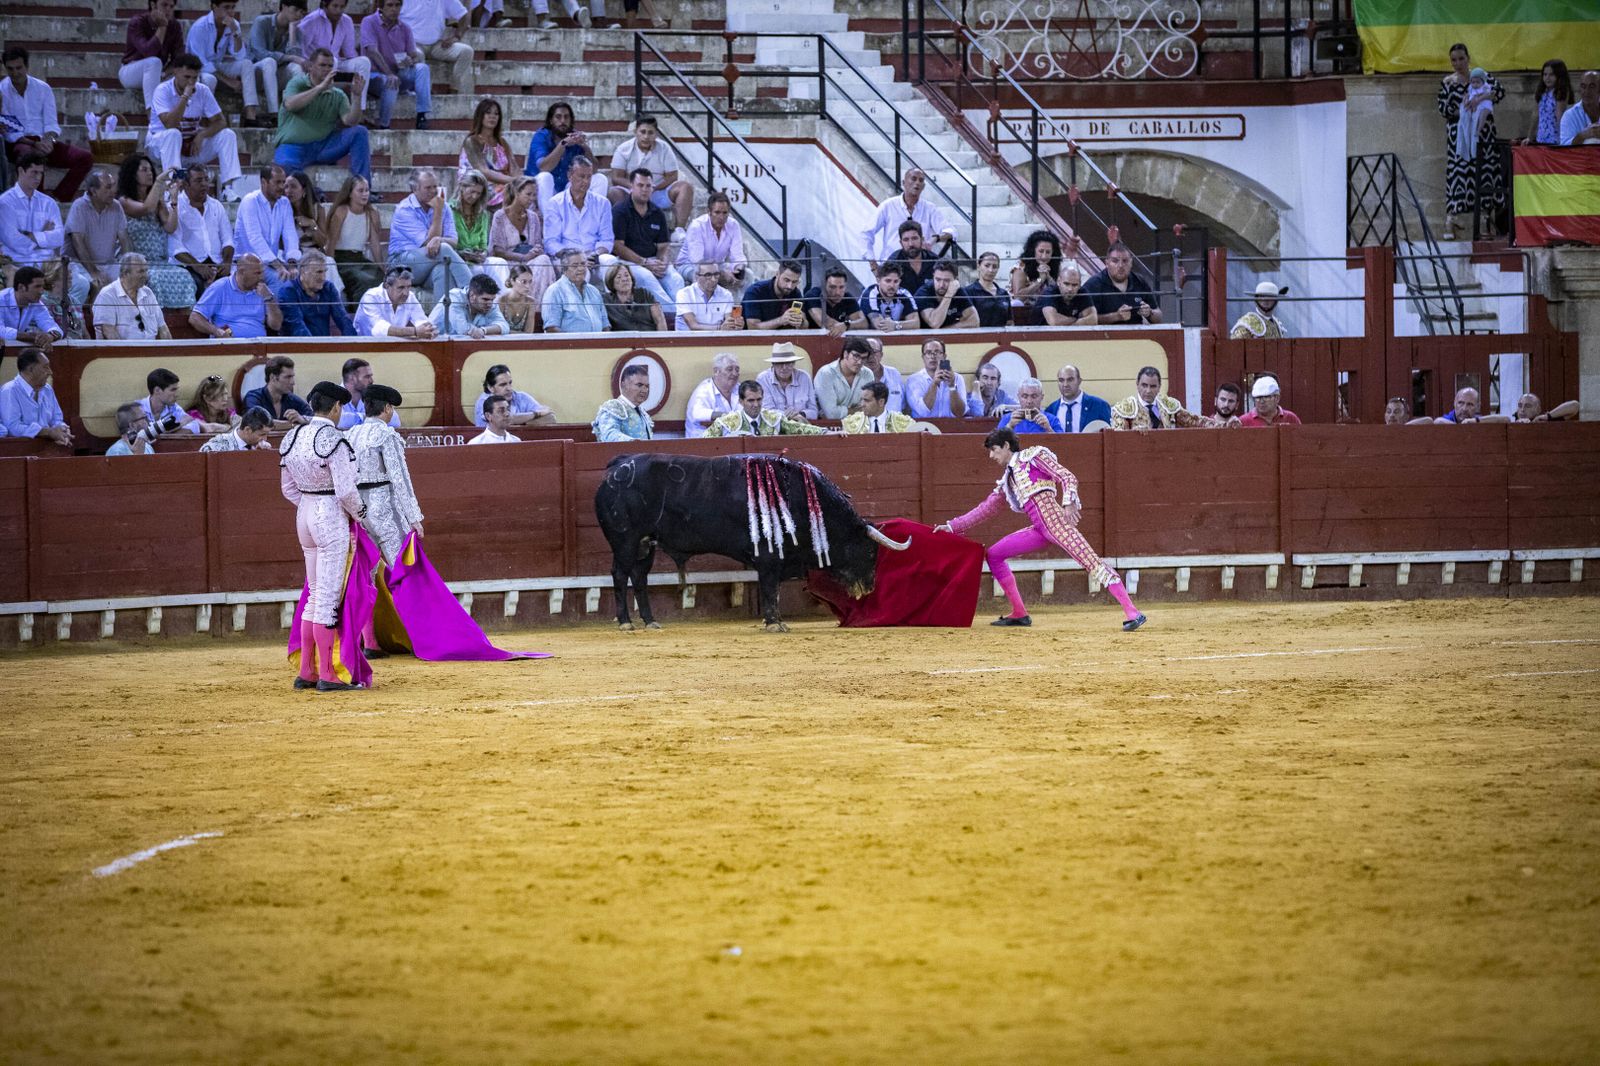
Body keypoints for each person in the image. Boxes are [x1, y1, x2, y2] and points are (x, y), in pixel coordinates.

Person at [936, 427, 1145, 630]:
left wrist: (1069, 502)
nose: (991, 455)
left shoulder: (1033, 456)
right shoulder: (1008, 480)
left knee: (1092, 563)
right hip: (1039, 529)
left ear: (1006, 445)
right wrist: (953, 526)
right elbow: (986, 509)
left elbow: (1067, 476)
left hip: (1057, 523)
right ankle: (1019, 613)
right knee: (994, 554)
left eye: (994, 449)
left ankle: (1133, 613)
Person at [279, 379, 366, 691]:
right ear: (337, 407)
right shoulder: (334, 440)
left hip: (304, 513)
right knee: (326, 597)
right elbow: (345, 491)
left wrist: (309, 504)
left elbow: (287, 488)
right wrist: (363, 515)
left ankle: (307, 671)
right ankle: (328, 674)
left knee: (314, 595)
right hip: (329, 515)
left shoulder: (291, 437)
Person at [346, 383, 424, 608]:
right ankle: (414, 631)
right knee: (403, 569)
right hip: (384, 508)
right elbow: (400, 479)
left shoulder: (351, 434)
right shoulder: (387, 435)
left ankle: (368, 637)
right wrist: (414, 517)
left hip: (359, 511)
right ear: (388, 408)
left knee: (365, 578)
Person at [146, 53, 245, 202]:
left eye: (195, 77)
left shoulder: (202, 90)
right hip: (160, 147)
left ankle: (228, 189)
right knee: (173, 134)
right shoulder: (162, 90)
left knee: (227, 135)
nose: (191, 82)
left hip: (190, 146)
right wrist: (185, 97)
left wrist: (202, 135)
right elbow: (170, 124)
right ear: (176, 72)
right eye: (187, 77)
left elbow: (220, 121)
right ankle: (173, 188)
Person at [1, 47, 93, 203]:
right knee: (31, 155)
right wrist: (34, 144)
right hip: (19, 143)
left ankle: (57, 198)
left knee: (85, 158)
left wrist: (48, 140)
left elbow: (51, 123)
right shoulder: (2, 90)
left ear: (27, 66)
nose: (15, 73)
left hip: (43, 140)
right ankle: (36, 203)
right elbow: (9, 131)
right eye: (10, 69)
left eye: (19, 68)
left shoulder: (43, 88)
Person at [1436, 45, 1506, 238]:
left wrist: (1481, 99)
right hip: (1459, 133)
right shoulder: (1448, 82)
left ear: (1468, 58)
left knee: (1484, 173)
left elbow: (1499, 92)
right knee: (1458, 173)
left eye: (1461, 59)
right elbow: (1443, 109)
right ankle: (1452, 220)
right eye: (1454, 60)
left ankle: (1485, 221)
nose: (1458, 63)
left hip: (1483, 134)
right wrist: (1465, 110)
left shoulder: (1481, 75)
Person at [274, 47, 371, 184]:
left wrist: (356, 97)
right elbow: (290, 104)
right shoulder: (297, 83)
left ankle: (362, 186)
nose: (326, 69)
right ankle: (313, 194)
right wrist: (320, 88)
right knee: (285, 167)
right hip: (294, 146)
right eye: (322, 65)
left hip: (324, 146)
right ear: (311, 67)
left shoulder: (338, 94)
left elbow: (350, 121)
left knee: (360, 132)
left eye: (330, 66)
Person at [187, 0, 279, 127]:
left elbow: (240, 55)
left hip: (218, 64)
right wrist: (229, 81)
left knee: (246, 64)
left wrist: (235, 32)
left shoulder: (233, 24)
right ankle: (206, 120)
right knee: (209, 80)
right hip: (199, 69)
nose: (230, 11)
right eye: (226, 7)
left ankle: (250, 116)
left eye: (233, 7)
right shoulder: (200, 27)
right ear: (214, 7)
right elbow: (201, 63)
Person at [389, 167, 470, 310]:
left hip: (430, 262)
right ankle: (473, 290)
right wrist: (438, 212)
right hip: (401, 263)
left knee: (442, 271)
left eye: (435, 186)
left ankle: (441, 321)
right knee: (443, 249)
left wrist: (440, 240)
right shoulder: (404, 209)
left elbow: (454, 241)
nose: (433, 191)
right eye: (428, 187)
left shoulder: (444, 206)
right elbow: (429, 244)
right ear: (415, 189)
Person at [610, 168, 685, 310]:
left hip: (652, 260)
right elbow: (617, 246)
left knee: (676, 279)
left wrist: (662, 262)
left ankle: (681, 319)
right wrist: (644, 262)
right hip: (628, 262)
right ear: (631, 186)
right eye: (640, 185)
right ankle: (676, 317)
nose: (645, 190)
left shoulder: (657, 212)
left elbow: (663, 246)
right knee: (647, 278)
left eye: (648, 186)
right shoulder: (620, 211)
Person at [606, 116, 693, 233]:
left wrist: (653, 188)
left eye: (650, 133)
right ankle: (629, 229)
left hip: (656, 191)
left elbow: (672, 175)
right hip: (632, 192)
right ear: (635, 132)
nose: (646, 136)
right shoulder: (623, 149)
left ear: (656, 134)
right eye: (642, 132)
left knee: (685, 187)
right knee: (613, 192)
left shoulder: (664, 148)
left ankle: (679, 231)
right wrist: (636, 188)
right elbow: (616, 178)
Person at [862, 167, 953, 273]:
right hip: (891, 268)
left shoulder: (929, 208)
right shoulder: (888, 206)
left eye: (921, 180)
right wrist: (873, 265)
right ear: (904, 183)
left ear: (923, 186)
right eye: (913, 179)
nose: (917, 183)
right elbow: (866, 234)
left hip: (920, 270)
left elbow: (951, 231)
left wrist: (934, 239)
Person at [170, 164, 235, 300]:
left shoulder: (216, 205)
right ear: (186, 185)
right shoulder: (176, 207)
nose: (205, 184)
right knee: (198, 284)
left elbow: (228, 239)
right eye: (199, 181)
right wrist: (198, 267)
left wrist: (227, 262)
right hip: (189, 265)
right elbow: (175, 247)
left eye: (206, 179)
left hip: (217, 262)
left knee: (235, 283)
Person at [64, 173, 129, 308]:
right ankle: (96, 322)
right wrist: (93, 271)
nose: (114, 191)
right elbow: (78, 242)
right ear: (93, 191)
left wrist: (130, 264)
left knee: (131, 279)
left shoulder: (116, 206)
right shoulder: (79, 206)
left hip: (108, 263)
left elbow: (124, 238)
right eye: (108, 187)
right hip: (79, 263)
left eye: (113, 186)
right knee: (98, 283)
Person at [298, 0, 373, 116]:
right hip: (312, 66)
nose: (339, 11)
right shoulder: (311, 20)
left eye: (342, 7)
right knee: (332, 61)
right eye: (335, 6)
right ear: (325, 5)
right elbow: (300, 49)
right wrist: (310, 63)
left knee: (363, 62)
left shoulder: (346, 21)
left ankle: (360, 111)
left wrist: (354, 68)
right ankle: (328, 107)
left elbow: (349, 53)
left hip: (335, 63)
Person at [489, 175, 555, 306]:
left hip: (529, 262)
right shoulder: (500, 216)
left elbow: (537, 244)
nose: (532, 199)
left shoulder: (533, 217)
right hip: (509, 262)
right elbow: (497, 250)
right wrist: (522, 257)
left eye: (534, 195)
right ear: (517, 193)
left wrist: (536, 251)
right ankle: (520, 306)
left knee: (544, 260)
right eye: (528, 194)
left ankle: (536, 308)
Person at [0, 155, 67, 285]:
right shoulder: (5, 202)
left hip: (48, 264)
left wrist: (31, 235)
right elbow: (13, 240)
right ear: (21, 171)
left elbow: (59, 237)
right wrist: (43, 235)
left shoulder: (49, 203)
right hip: (18, 263)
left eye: (41, 173)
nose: (38, 177)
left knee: (81, 283)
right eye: (34, 172)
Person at [524, 101, 599, 212]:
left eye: (566, 117)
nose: (563, 121)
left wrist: (584, 146)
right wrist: (563, 144)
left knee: (600, 179)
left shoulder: (575, 137)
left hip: (566, 188)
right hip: (542, 191)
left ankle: (591, 220)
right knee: (545, 177)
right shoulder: (541, 136)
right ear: (551, 120)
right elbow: (544, 167)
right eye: (558, 117)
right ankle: (549, 222)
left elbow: (594, 169)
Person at [232, 164, 300, 287]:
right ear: (264, 182)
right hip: (247, 265)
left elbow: (290, 235)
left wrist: (292, 263)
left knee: (302, 279)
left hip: (271, 264)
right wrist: (279, 266)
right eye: (277, 182)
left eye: (283, 182)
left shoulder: (284, 203)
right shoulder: (250, 201)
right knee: (283, 282)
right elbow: (255, 238)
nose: (282, 187)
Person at [327, 174, 384, 309]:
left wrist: (383, 266)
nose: (365, 194)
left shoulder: (372, 213)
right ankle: (356, 313)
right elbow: (331, 242)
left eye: (367, 190)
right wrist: (330, 267)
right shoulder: (341, 211)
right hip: (341, 259)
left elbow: (375, 244)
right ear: (350, 193)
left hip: (359, 258)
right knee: (362, 279)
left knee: (380, 276)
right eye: (360, 190)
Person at [190, 254, 282, 338]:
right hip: (229, 346)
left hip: (259, 347)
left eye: (262, 273)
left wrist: (269, 298)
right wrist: (217, 331)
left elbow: (276, 325)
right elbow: (195, 317)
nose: (261, 277)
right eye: (257, 273)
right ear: (242, 272)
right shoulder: (220, 287)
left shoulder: (263, 290)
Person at [398, 0, 474, 98]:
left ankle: (454, 91)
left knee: (467, 51)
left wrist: (457, 36)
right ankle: (426, 92)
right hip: (413, 44)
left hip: (437, 44)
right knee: (417, 55)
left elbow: (464, 15)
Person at [122, 0, 189, 108]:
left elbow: (179, 59)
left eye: (171, 6)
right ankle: (153, 114)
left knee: (188, 75)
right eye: (164, 5)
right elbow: (149, 52)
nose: (168, 9)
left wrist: (164, 73)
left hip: (159, 72)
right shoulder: (137, 22)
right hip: (131, 71)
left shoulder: (174, 26)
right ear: (153, 5)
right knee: (154, 62)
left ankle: (184, 118)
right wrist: (162, 27)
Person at [0, 347, 72, 446]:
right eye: (45, 367)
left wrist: (63, 431)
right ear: (30, 370)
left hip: (48, 449)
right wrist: (48, 432)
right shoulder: (10, 390)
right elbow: (13, 428)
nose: (50, 372)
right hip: (20, 451)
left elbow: (57, 419)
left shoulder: (47, 389)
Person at [676, 193, 746, 291]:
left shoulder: (733, 225)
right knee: (702, 276)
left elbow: (737, 255)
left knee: (748, 276)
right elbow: (698, 262)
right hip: (689, 265)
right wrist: (721, 274)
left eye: (725, 213)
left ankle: (740, 306)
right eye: (717, 212)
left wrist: (738, 269)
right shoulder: (697, 226)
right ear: (708, 212)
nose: (721, 217)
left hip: (718, 264)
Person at [705, 381, 827, 437]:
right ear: (741, 402)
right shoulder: (726, 422)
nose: (756, 404)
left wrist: (827, 432)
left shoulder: (773, 418)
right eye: (751, 401)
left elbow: (800, 429)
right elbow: (702, 441)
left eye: (759, 399)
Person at [92, 253, 170, 340]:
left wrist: (171, 351)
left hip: (151, 351)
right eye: (141, 271)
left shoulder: (148, 293)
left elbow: (163, 328)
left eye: (146, 271)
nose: (146, 276)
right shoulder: (107, 295)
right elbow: (109, 332)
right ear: (125, 274)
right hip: (122, 352)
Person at [1080, 242, 1162, 324]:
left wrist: (1150, 313)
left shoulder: (1139, 281)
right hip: (1105, 335)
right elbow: (1081, 318)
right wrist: (1115, 316)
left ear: (1131, 263)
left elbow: (1159, 317)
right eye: (1115, 261)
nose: (1120, 266)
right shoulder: (1094, 284)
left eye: (1125, 261)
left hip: (1136, 334)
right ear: (1107, 263)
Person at [278, 249, 354, 336]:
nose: (323, 278)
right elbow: (297, 327)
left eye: (325, 272)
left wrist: (353, 344)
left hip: (323, 346)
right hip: (299, 347)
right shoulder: (288, 291)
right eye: (319, 272)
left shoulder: (328, 288)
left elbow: (343, 319)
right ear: (303, 271)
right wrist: (316, 348)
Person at [249, 0, 310, 103]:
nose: (299, 15)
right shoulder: (262, 22)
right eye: (295, 10)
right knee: (269, 62)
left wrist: (292, 31)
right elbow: (259, 53)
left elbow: (296, 58)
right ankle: (273, 113)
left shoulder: (296, 29)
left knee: (297, 67)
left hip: (277, 74)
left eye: (302, 12)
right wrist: (290, 57)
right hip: (256, 73)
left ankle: (295, 106)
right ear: (284, 6)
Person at [354, 265, 436, 337]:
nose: (405, 293)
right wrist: (414, 331)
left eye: (408, 287)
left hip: (395, 346)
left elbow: (421, 320)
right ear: (387, 286)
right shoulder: (371, 297)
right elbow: (379, 330)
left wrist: (427, 329)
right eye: (401, 288)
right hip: (364, 348)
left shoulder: (410, 296)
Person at [450, 170, 503, 282]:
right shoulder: (449, 210)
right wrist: (463, 254)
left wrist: (482, 254)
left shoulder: (482, 214)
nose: (474, 196)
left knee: (500, 263)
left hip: (476, 259)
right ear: (462, 188)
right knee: (477, 270)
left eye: (478, 193)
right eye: (472, 191)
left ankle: (504, 298)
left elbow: (483, 245)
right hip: (456, 259)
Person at [459, 100, 512, 207]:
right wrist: (513, 181)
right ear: (480, 116)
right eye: (488, 113)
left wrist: (523, 182)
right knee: (511, 194)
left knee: (527, 193)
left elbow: (514, 167)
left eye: (496, 114)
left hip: (503, 184)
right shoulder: (472, 141)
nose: (492, 116)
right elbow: (483, 171)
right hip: (477, 185)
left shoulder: (502, 142)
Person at [1111, 366, 1199, 430]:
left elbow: (1193, 421)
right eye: (1144, 385)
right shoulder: (1124, 408)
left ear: (1159, 387)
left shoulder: (1168, 405)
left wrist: (1212, 422)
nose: (1148, 391)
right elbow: (1117, 436)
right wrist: (1134, 434)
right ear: (1137, 384)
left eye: (1153, 386)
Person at [541, 248, 608, 333]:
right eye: (575, 265)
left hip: (598, 344)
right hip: (570, 345)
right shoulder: (554, 291)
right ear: (564, 269)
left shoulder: (594, 291)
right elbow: (551, 328)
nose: (581, 269)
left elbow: (605, 325)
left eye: (583, 264)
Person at [0, 267, 64, 349]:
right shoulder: (1, 299)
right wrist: (33, 336)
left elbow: (54, 328)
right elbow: (1, 331)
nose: (42, 291)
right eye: (37, 286)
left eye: (42, 286)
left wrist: (49, 336)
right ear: (21, 287)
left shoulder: (36, 304)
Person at [906, 338, 969, 419]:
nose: (933, 356)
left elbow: (960, 413)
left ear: (944, 356)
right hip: (924, 427)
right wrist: (934, 383)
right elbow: (922, 412)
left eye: (937, 352)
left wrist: (952, 386)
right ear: (923, 357)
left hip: (951, 428)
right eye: (928, 353)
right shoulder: (913, 380)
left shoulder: (957, 378)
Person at [430, 273, 509, 338]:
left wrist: (483, 330)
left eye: (492, 299)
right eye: (485, 299)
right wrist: (479, 331)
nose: (490, 304)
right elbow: (462, 329)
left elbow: (505, 327)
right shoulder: (454, 297)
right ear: (472, 296)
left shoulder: (491, 304)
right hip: (433, 342)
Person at [814, 336, 875, 419]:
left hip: (859, 426)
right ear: (845, 354)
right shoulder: (826, 374)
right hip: (829, 427)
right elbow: (831, 414)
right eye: (856, 356)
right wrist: (858, 411)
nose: (860, 362)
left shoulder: (868, 374)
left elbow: (870, 409)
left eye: (864, 358)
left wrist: (845, 411)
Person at [1042, 363, 1113, 434]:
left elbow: (1110, 436)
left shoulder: (1099, 406)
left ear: (1079, 381)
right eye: (1061, 380)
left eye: (1070, 380)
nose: (1065, 384)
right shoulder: (1051, 410)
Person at [473, 364, 552, 426]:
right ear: (490, 387)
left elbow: (550, 418)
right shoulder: (484, 401)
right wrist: (536, 414)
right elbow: (503, 419)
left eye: (510, 383)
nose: (509, 388)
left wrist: (522, 421)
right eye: (503, 385)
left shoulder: (521, 397)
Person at [592, 363, 654, 442]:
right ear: (623, 385)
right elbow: (609, 435)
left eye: (646, 386)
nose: (644, 390)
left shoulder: (642, 412)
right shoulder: (613, 407)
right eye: (639, 385)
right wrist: (634, 443)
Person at [757, 342, 817, 421]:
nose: (784, 367)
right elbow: (766, 412)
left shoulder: (804, 378)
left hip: (801, 426)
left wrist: (801, 414)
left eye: (788, 363)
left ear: (794, 363)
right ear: (773, 364)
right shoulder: (763, 379)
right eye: (780, 363)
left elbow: (814, 412)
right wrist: (788, 416)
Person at [685, 352, 741, 438]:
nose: (735, 373)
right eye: (729, 369)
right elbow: (697, 414)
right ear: (716, 371)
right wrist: (728, 416)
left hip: (732, 441)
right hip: (702, 443)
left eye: (737, 370)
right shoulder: (704, 390)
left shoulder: (739, 388)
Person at [741, 259, 807, 330]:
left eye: (794, 282)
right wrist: (781, 320)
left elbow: (806, 325)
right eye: (786, 280)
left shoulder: (795, 293)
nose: (789, 286)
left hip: (783, 338)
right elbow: (753, 327)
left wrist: (801, 321)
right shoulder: (755, 291)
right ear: (777, 274)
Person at [336, 357, 400, 429]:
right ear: (352, 378)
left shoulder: (373, 394)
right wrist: (371, 418)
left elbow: (395, 421)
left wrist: (354, 418)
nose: (371, 380)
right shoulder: (333, 396)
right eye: (367, 377)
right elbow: (339, 422)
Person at [841, 381, 924, 434]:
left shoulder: (904, 423)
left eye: (867, 400)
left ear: (881, 402)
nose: (862, 404)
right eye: (862, 400)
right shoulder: (851, 423)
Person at [139, 366, 203, 434]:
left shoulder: (173, 407)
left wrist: (169, 436)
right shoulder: (137, 410)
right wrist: (179, 425)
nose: (177, 394)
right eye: (173, 390)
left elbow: (193, 425)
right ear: (157, 390)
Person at [916, 260, 977, 330]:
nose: (941, 285)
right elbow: (934, 323)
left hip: (949, 337)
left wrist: (947, 330)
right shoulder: (923, 292)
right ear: (933, 277)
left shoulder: (958, 290)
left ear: (955, 280)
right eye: (938, 280)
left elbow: (974, 321)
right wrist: (949, 295)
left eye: (947, 280)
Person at [603, 263, 665, 333]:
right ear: (611, 282)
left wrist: (662, 340)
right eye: (619, 277)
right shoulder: (606, 300)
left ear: (631, 278)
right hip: (624, 341)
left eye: (627, 275)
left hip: (649, 338)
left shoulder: (645, 294)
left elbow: (659, 320)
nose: (624, 279)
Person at [802, 268, 866, 335]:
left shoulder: (847, 297)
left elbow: (864, 323)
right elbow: (827, 323)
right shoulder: (813, 295)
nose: (837, 292)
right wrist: (846, 325)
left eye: (841, 287)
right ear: (824, 285)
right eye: (832, 287)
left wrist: (846, 325)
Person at [1009, 230, 1061, 311]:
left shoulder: (1054, 266)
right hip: (1024, 310)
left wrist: (1049, 278)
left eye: (1048, 252)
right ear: (1033, 250)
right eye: (1041, 251)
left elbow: (1060, 293)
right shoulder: (1021, 267)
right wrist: (1040, 280)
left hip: (1047, 309)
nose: (1044, 256)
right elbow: (1018, 297)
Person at [675, 260, 734, 332]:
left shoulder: (726, 295)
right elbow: (693, 326)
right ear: (697, 276)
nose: (713, 279)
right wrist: (720, 328)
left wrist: (735, 325)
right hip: (688, 340)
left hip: (716, 340)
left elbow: (729, 323)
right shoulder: (684, 294)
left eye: (716, 274)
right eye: (708, 275)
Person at [1525, 59, 1573, 146]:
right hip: (1541, 139)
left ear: (1559, 76)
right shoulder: (1541, 91)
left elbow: (1560, 115)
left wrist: (1564, 139)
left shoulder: (1561, 91)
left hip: (1555, 140)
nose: (1547, 78)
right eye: (1545, 74)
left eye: (1551, 75)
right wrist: (1529, 137)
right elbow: (1535, 114)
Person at [995, 378, 1064, 434]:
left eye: (1034, 396)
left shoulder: (1052, 420)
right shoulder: (1007, 419)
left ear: (1042, 397)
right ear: (1018, 397)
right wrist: (1009, 426)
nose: (1029, 401)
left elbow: (1062, 445)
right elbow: (996, 445)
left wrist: (1048, 429)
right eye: (1025, 396)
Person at [863, 262, 917, 332]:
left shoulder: (904, 294)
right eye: (888, 281)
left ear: (900, 281)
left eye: (896, 281)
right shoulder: (870, 294)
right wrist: (902, 325)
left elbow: (916, 323)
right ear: (878, 281)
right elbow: (879, 325)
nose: (892, 286)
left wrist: (895, 325)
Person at [964, 251, 1010, 328]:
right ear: (978, 266)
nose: (990, 270)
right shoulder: (968, 291)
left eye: (994, 266)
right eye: (987, 265)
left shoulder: (1003, 293)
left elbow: (1009, 321)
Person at [860, 338, 903, 414]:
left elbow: (903, 404)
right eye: (867, 352)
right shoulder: (856, 377)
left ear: (881, 355)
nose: (870, 356)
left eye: (874, 352)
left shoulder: (894, 373)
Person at [201, 407, 273, 451]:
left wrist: (263, 455)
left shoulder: (261, 448)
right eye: (262, 434)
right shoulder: (219, 444)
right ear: (247, 430)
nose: (265, 439)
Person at [1560, 70, 1600, 146]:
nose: (1586, 91)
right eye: (1583, 86)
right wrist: (1581, 136)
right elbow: (1564, 149)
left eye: (1592, 86)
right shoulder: (1569, 116)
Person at [1435, 385, 1510, 425]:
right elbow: (1437, 421)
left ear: (1478, 407)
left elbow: (1506, 419)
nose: (1464, 409)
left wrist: (1476, 421)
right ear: (1454, 403)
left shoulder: (1477, 420)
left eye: (1470, 405)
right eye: (1460, 403)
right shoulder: (1448, 418)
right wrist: (1461, 428)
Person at [497, 263, 539, 333]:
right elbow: (497, 330)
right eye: (523, 282)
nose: (528, 286)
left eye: (530, 282)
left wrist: (508, 332)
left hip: (524, 342)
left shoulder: (530, 302)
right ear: (512, 281)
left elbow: (529, 333)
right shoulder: (501, 300)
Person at [1514, 393, 1579, 422]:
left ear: (1538, 410)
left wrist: (1548, 416)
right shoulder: (1511, 422)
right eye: (1520, 405)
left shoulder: (1546, 421)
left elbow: (1575, 405)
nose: (1522, 410)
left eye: (1528, 406)